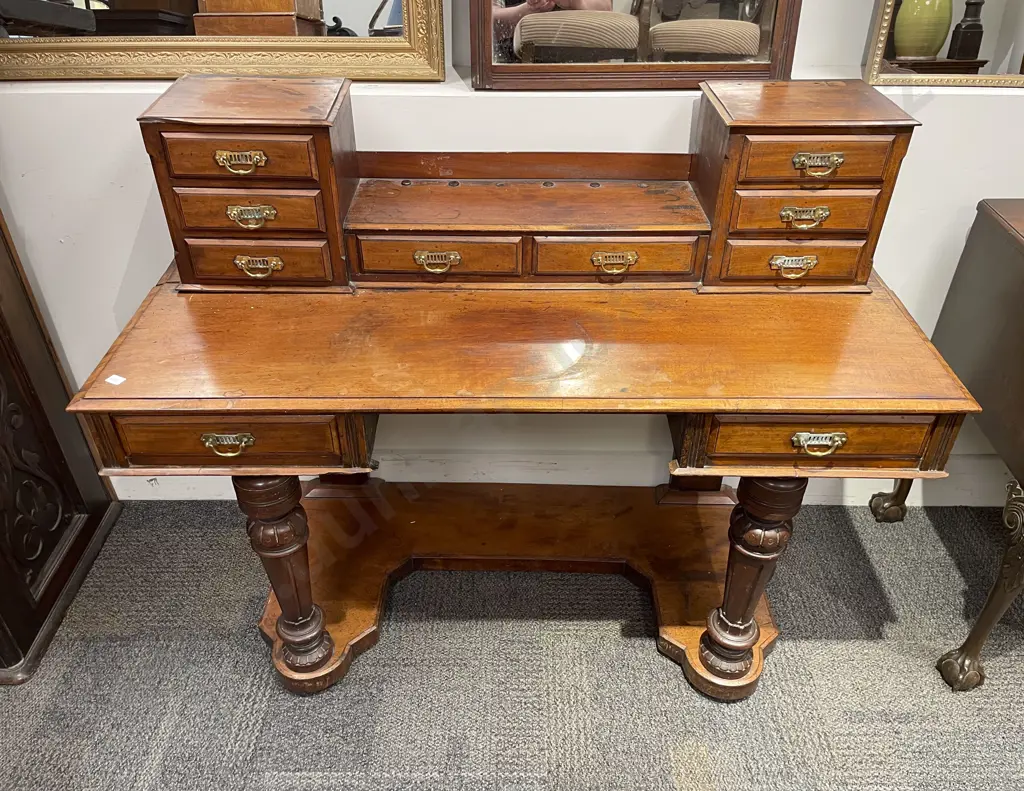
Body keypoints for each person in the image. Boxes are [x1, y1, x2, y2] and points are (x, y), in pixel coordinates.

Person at [492, 0, 614, 62]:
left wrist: (575, 3)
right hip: (514, 71)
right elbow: (486, 23)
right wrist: (527, 10)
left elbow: (606, 9)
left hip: (581, 69)